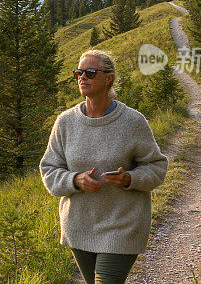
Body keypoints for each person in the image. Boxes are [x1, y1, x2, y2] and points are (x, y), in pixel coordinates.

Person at [39, 49, 168, 284]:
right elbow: (49, 168)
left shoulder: (132, 122)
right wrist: (75, 180)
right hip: (80, 225)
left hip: (122, 224)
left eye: (89, 72)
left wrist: (130, 179)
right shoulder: (66, 122)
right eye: (79, 72)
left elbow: (157, 167)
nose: (82, 77)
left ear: (108, 78)